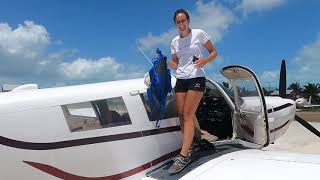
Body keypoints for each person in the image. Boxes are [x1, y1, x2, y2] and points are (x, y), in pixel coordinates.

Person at [167, 8, 218, 174]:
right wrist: (165, 62)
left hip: (196, 78)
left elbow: (214, 52)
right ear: (175, 24)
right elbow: (177, 64)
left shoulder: (199, 34)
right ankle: (189, 147)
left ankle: (183, 155)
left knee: (188, 114)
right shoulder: (174, 42)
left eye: (183, 21)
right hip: (181, 79)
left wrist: (205, 60)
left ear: (188, 21)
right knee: (181, 115)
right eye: (178, 22)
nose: (181, 24)